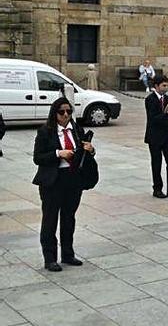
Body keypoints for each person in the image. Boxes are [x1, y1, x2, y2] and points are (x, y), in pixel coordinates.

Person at [32, 97, 94, 271]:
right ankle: (50, 258)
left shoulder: (76, 129)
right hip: (53, 180)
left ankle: (68, 254)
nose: (65, 115)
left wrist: (91, 149)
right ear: (55, 113)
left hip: (73, 179)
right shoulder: (45, 131)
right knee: (50, 219)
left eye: (68, 111)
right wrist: (59, 153)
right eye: (61, 112)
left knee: (69, 218)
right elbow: (38, 158)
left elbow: (84, 151)